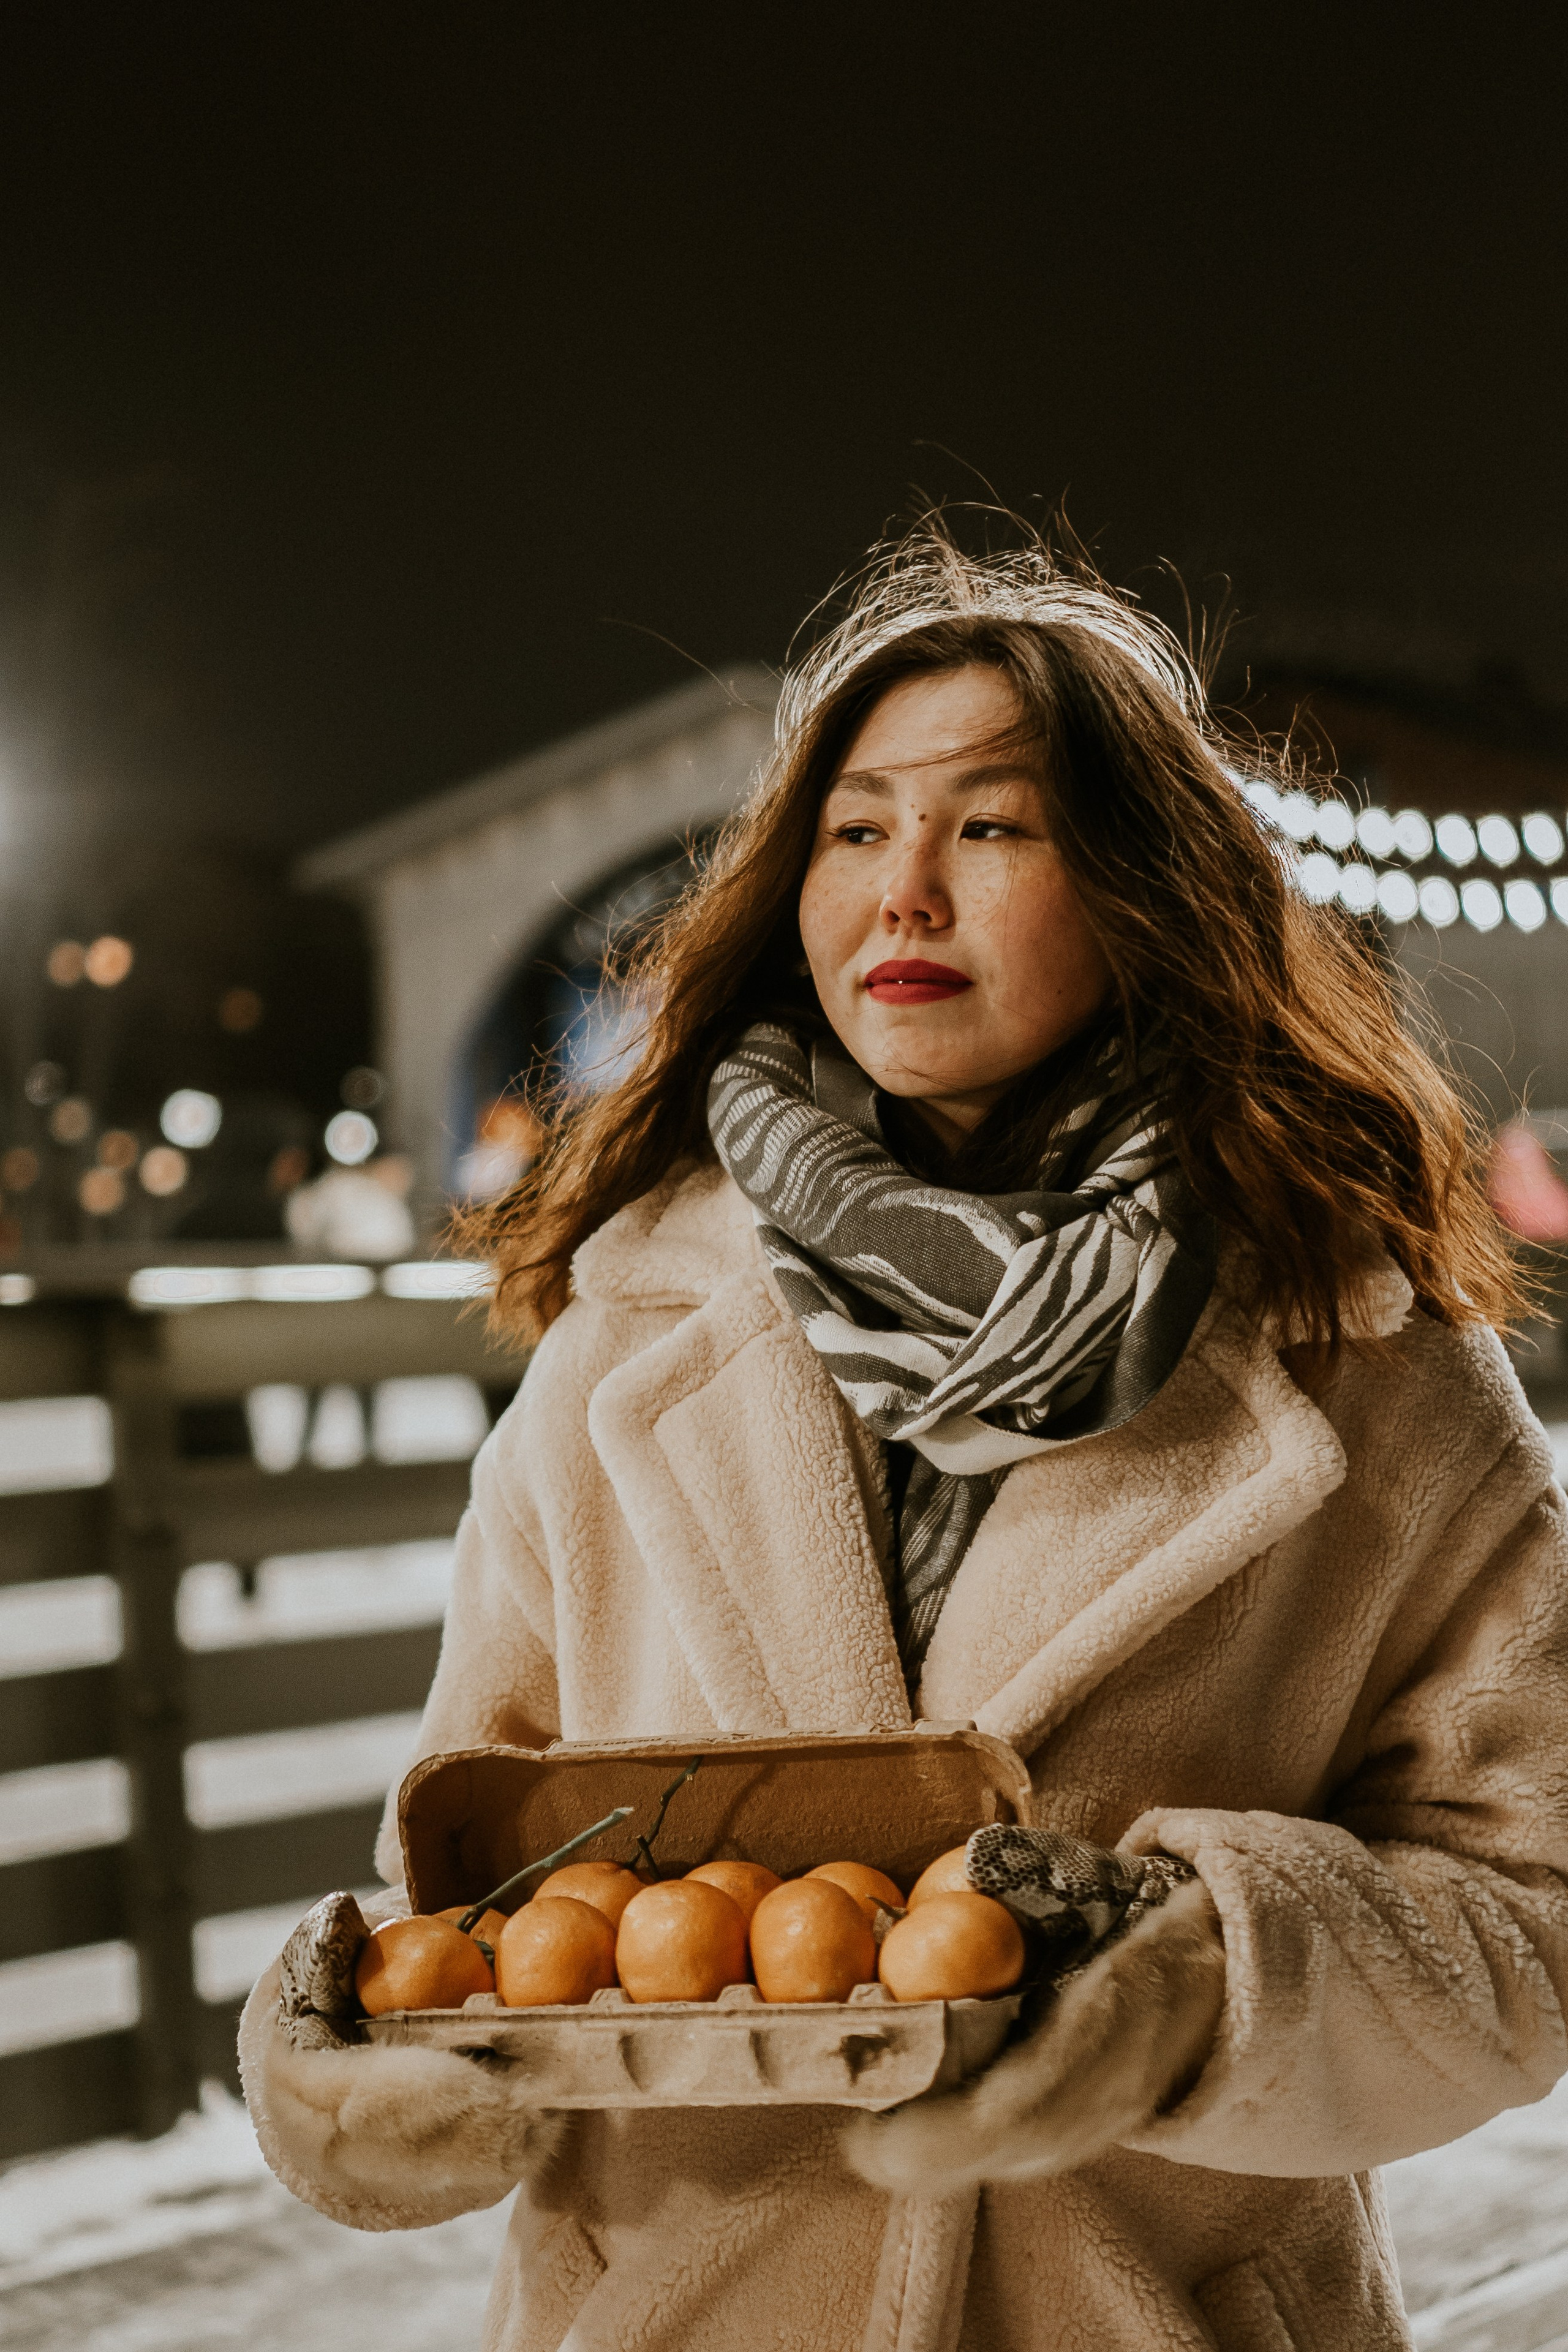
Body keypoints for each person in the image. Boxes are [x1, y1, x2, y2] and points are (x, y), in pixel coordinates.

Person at [241, 526, 1568, 2352]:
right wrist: (361, 2061)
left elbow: (1528, 1905)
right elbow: (489, 1874)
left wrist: (1207, 1982)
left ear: (1146, 886)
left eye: (994, 828)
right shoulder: (629, 1333)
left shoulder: (1369, 1347)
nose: (906, 895)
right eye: (857, 831)